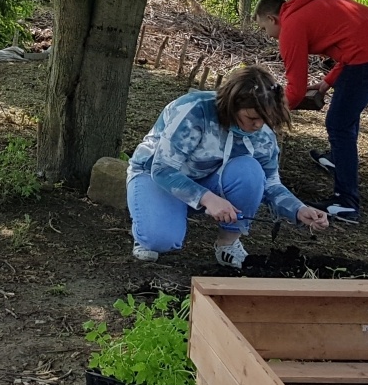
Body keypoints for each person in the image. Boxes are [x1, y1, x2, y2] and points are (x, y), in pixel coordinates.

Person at [126, 65, 329, 270]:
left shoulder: (263, 133)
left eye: (265, 119)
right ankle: (147, 217)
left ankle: (228, 243)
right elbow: (162, 169)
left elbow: (270, 182)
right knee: (159, 240)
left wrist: (298, 209)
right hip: (155, 175)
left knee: (250, 170)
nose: (259, 125)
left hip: (207, 176)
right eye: (252, 118)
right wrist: (208, 198)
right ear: (233, 105)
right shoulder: (194, 111)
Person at [256, 0, 368, 224]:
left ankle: (346, 202)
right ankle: (340, 159)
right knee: (346, 115)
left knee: (338, 124)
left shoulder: (291, 26)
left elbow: (295, 91)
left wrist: (268, 114)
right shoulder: (311, 7)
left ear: (272, 18)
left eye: (264, 28)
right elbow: (350, 45)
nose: (268, 36)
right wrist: (328, 82)